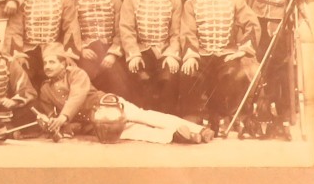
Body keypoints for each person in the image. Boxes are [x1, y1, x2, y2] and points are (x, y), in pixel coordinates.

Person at [36, 44, 213, 144]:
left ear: (63, 63)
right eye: (45, 63)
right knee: (135, 133)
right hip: (94, 124)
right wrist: (49, 123)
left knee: (146, 117)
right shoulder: (45, 89)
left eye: (52, 62)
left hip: (108, 106)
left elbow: (76, 97)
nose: (47, 67)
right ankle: (181, 136)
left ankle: (200, 130)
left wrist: (62, 118)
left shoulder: (76, 74)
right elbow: (53, 116)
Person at [181, 0, 261, 134]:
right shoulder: (191, 3)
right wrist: (191, 54)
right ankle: (198, 118)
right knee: (190, 72)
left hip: (227, 53)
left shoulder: (234, 0)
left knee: (231, 74)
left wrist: (242, 50)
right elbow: (188, 31)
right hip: (201, 54)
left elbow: (252, 24)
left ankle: (226, 116)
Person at [247, 0, 309, 127]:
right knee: (261, 61)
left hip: (282, 16)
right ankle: (262, 108)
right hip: (260, 15)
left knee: (281, 63)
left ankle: (283, 110)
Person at [4, 0, 81, 90]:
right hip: (28, 50)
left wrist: (68, 55)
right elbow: (14, 29)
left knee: (62, 77)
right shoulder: (22, 0)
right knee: (22, 75)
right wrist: (17, 54)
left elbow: (71, 27)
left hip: (53, 48)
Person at [118, 0, 183, 113]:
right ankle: (142, 119)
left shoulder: (174, 0)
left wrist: (172, 54)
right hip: (142, 50)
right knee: (139, 74)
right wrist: (133, 54)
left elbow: (176, 33)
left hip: (165, 50)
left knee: (169, 76)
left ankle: (167, 119)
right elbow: (126, 29)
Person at [73, 0, 135, 100]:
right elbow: (73, 31)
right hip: (87, 52)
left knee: (119, 79)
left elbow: (121, 30)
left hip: (110, 49)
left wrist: (113, 54)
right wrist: (82, 48)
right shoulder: (75, 3)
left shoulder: (115, 2)